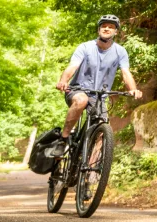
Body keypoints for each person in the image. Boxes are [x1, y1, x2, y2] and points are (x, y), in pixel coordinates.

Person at [49, 14, 143, 157]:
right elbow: (72, 66)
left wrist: (133, 89)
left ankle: (90, 169)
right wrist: (63, 81)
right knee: (81, 101)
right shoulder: (85, 47)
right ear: (99, 29)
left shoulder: (120, 51)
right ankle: (64, 138)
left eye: (111, 27)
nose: (107, 29)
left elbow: (125, 73)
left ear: (116, 32)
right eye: (104, 26)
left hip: (99, 96)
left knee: (102, 129)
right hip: (77, 90)